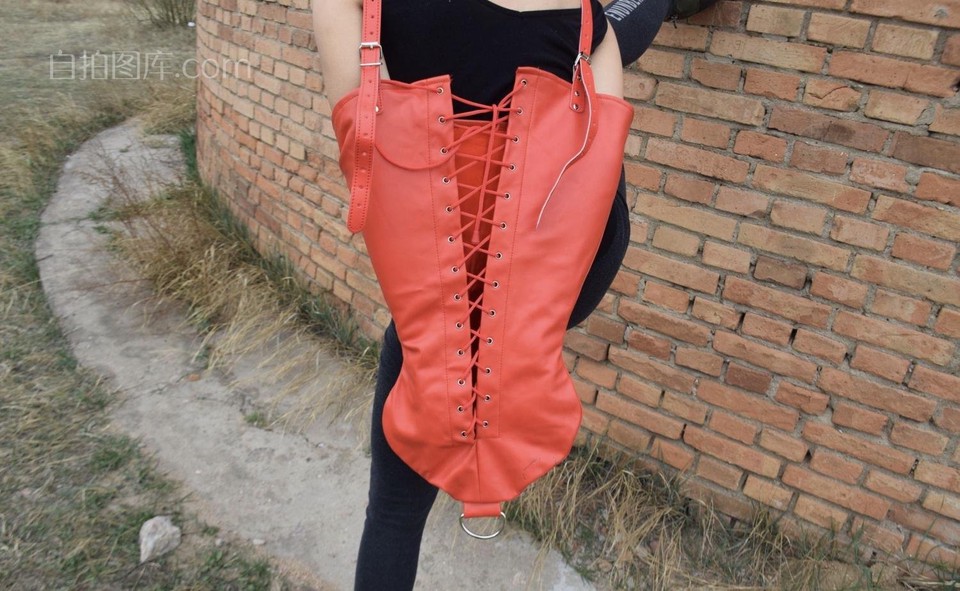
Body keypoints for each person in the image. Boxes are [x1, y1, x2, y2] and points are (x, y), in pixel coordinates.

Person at [310, 0, 714, 588]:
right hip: (560, 277)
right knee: (606, 36)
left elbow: (358, 128)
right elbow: (598, 159)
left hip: (436, 292)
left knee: (394, 510)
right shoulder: (586, 19)